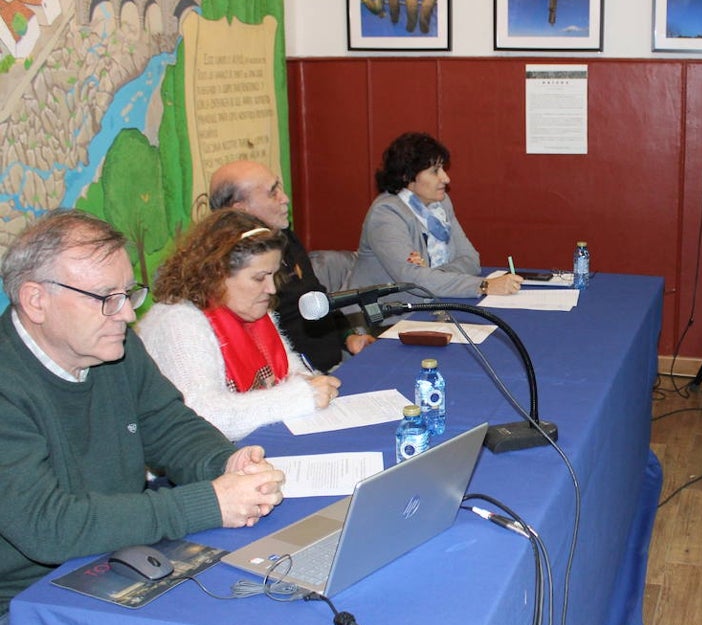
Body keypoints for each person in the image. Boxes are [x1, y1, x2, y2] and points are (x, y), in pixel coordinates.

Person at [0, 210, 284, 625]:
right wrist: (209, 502)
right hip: (27, 603)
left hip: (114, 557)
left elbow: (168, 423)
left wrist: (226, 462)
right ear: (36, 300)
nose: (128, 313)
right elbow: (48, 527)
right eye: (107, 298)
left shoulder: (111, 345)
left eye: (128, 293)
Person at [138, 209, 341, 441]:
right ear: (217, 273)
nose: (272, 289)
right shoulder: (178, 323)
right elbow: (204, 416)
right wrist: (304, 396)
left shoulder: (252, 308)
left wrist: (310, 382)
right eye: (259, 278)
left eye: (273, 275)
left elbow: (290, 372)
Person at [209, 160, 374, 373]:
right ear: (241, 210)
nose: (284, 198)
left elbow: (315, 294)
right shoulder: (230, 268)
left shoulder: (284, 237)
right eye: (272, 192)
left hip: (331, 368)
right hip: (294, 380)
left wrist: (348, 336)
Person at [350, 132, 524, 299]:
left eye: (442, 169)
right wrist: (483, 285)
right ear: (407, 176)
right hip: (382, 318)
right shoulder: (387, 213)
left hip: (431, 304)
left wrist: (432, 276)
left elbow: (471, 260)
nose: (446, 178)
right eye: (435, 171)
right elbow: (413, 281)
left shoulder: (440, 204)